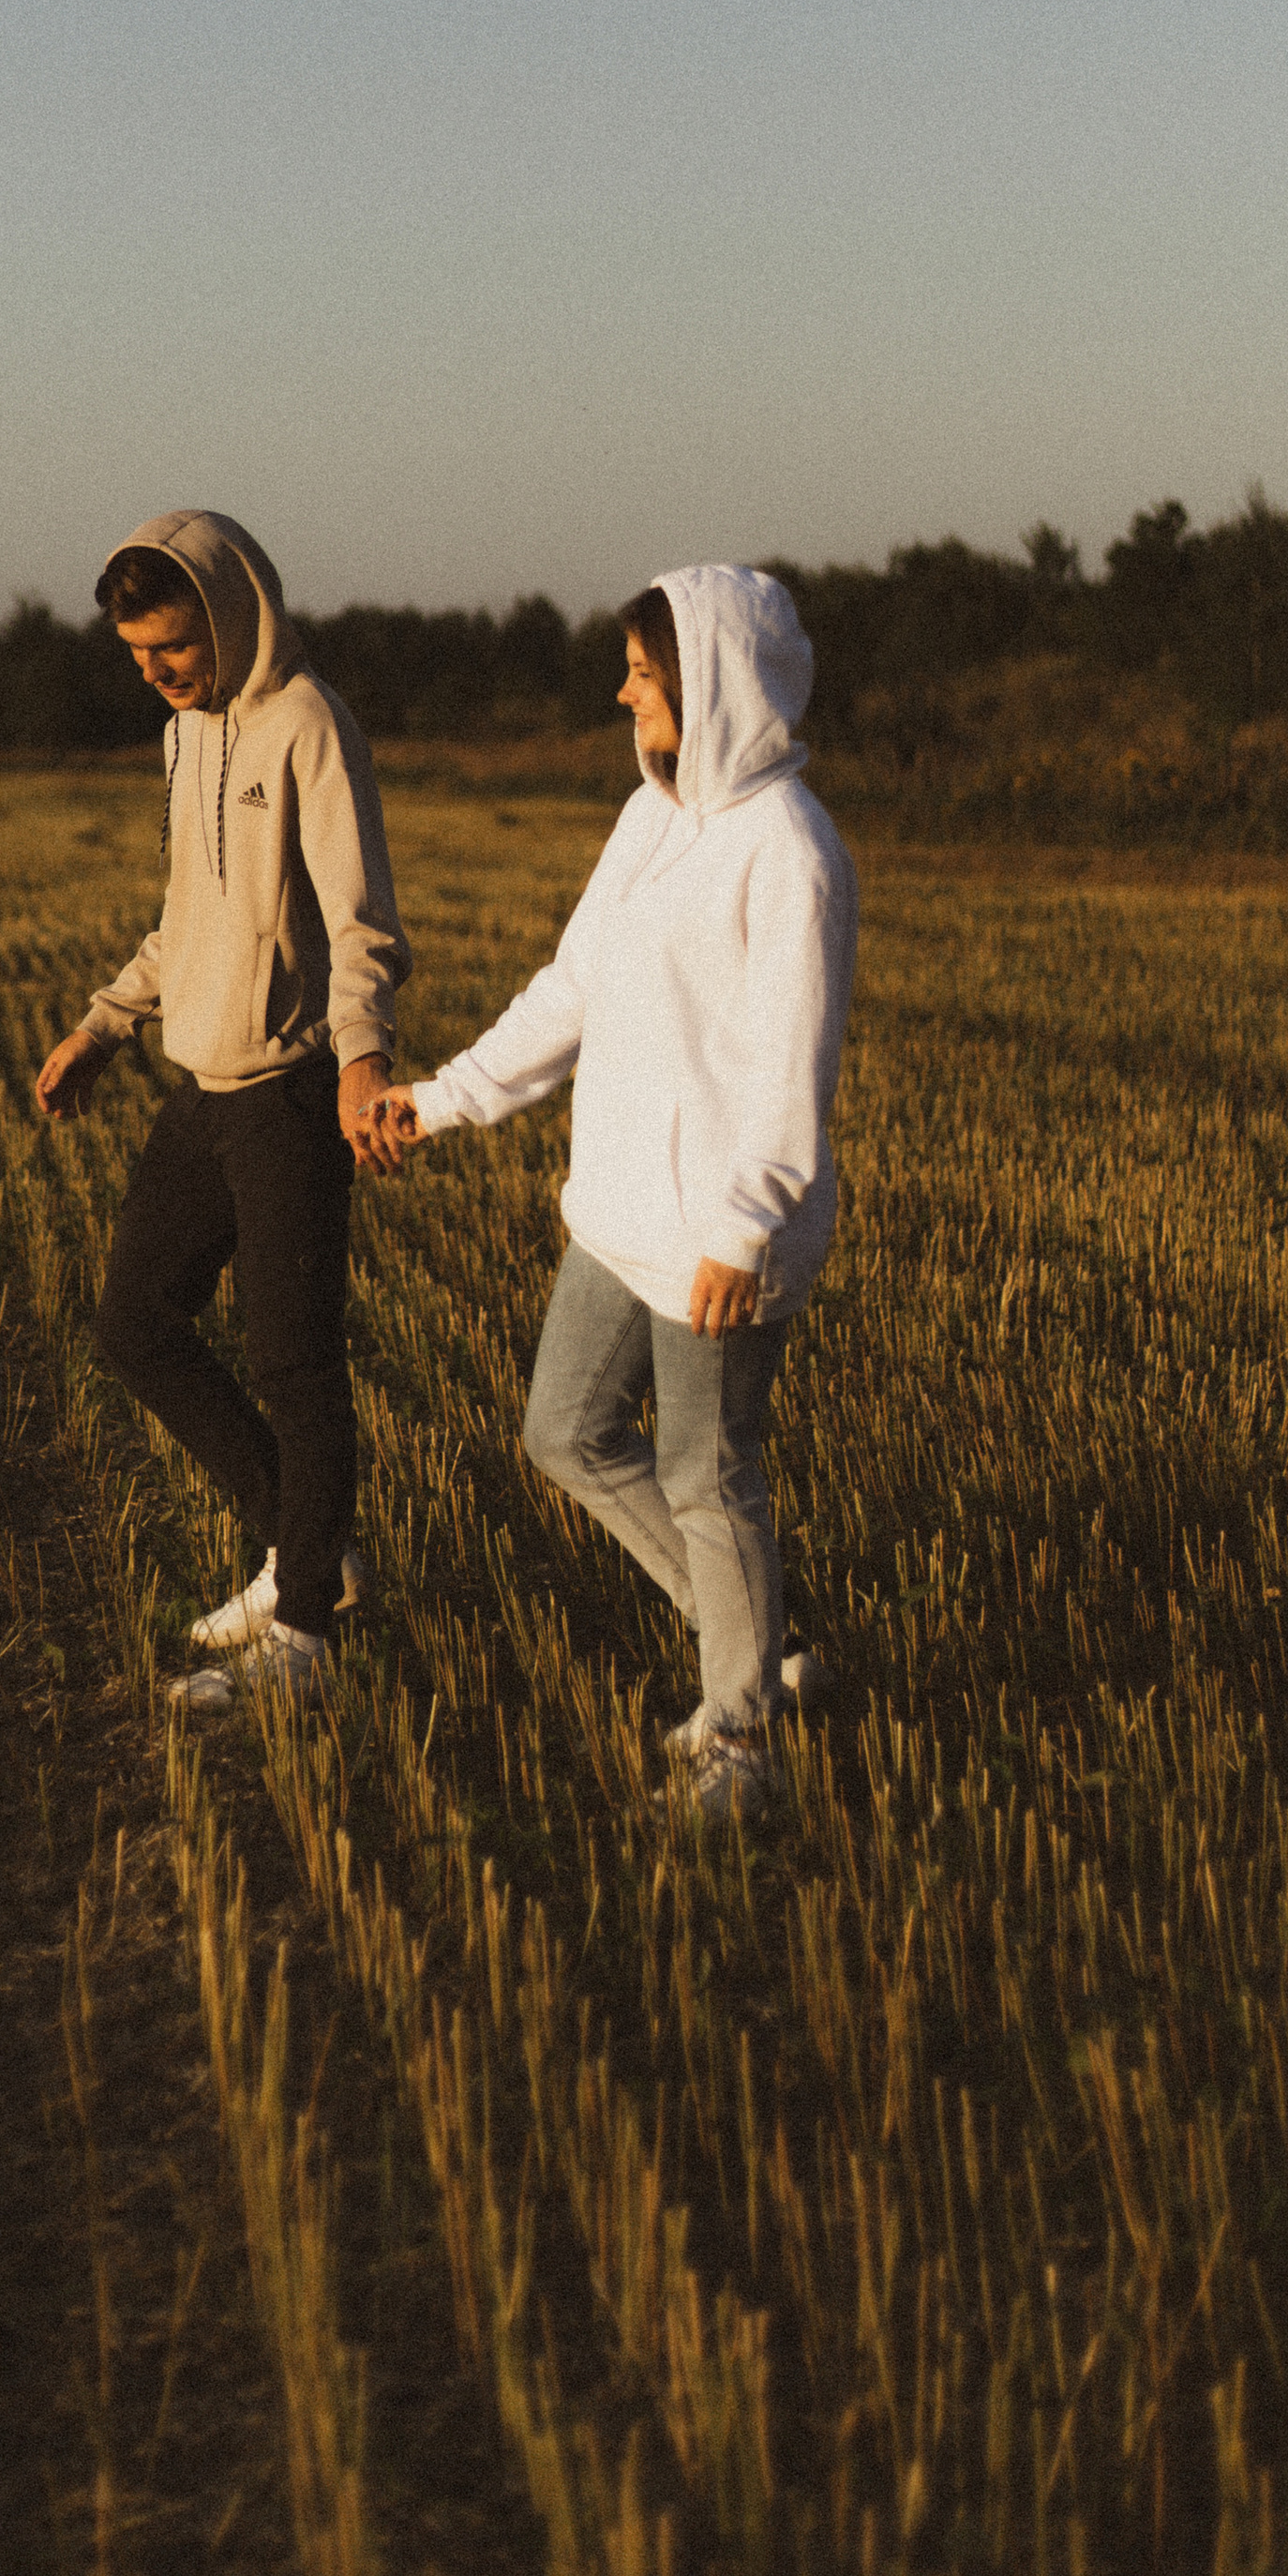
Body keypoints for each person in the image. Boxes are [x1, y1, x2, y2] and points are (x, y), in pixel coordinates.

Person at [362, 565, 856, 1818]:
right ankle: (747, 1635)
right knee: (563, 1434)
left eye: (643, 672)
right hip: (622, 1209)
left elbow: (790, 1065)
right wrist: (446, 1095)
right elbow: (574, 985)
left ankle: (742, 1743)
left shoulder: (789, 855)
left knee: (707, 1472)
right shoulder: (652, 816)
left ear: (707, 682)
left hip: (717, 1232)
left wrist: (746, 1231)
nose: (622, 691)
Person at [34, 509, 410, 1714]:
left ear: (228, 614)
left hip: (293, 1089)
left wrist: (362, 1058)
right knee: (135, 1323)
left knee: (296, 1360)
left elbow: (361, 925)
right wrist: (105, 1022)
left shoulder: (308, 724)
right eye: (136, 656)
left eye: (173, 651)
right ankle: (306, 1552)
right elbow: (185, 917)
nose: (154, 675)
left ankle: (305, 1630)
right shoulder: (183, 738)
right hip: (204, 1084)